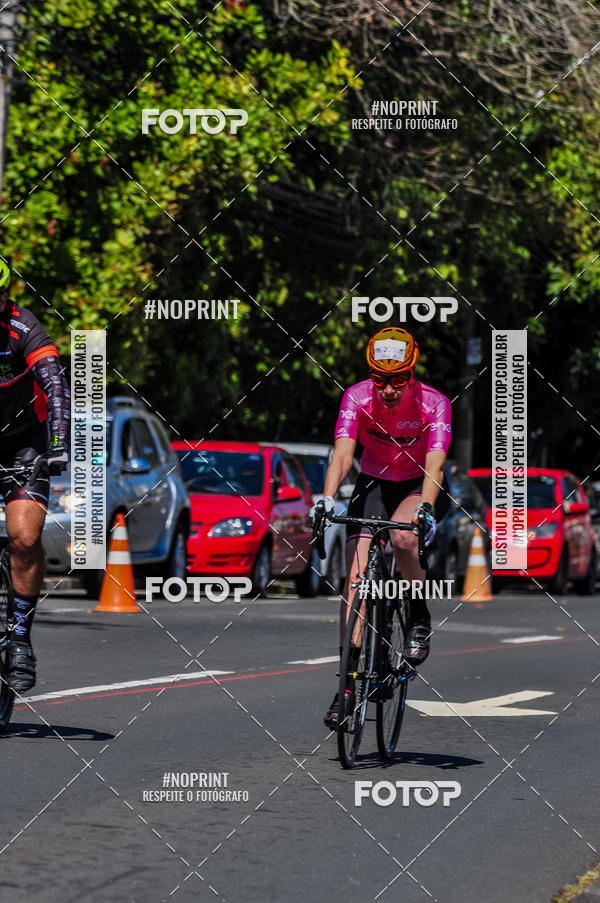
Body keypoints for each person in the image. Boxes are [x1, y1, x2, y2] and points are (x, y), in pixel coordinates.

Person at [316, 327, 452, 730]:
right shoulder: (356, 397)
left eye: (398, 380)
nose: (389, 389)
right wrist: (327, 497)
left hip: (417, 484)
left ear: (412, 372)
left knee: (403, 536)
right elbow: (342, 453)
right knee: (356, 580)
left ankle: (419, 614)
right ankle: (347, 688)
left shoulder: (435, 403)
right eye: (380, 379)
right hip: (373, 481)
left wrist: (425, 506)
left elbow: (436, 463)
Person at [0, 259, 70, 692]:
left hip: (23, 444)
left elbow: (55, 381)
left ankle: (21, 636)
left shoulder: (24, 327)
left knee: (24, 538)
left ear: (7, 296)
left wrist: (60, 443)